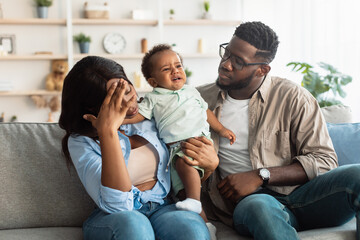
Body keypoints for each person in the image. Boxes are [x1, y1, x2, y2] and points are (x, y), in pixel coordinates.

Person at [192, 21, 360, 239]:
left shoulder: (293, 97)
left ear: (262, 69)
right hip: (252, 203)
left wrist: (261, 175)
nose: (226, 64)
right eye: (226, 53)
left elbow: (324, 160)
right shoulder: (198, 100)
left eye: (238, 62)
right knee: (259, 206)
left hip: (305, 198)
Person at [58, 56, 219, 240]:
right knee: (136, 227)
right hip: (116, 217)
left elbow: (181, 169)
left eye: (127, 89)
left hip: (163, 207)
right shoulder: (80, 141)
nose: (131, 101)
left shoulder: (152, 117)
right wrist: (108, 131)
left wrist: (209, 166)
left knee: (193, 229)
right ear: (94, 107)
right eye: (116, 98)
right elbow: (117, 206)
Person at [123, 44, 235, 221]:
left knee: (185, 166)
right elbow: (139, 116)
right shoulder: (153, 98)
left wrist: (221, 129)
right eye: (166, 69)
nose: (175, 71)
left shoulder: (191, 91)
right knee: (182, 192)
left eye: (178, 66)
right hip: (175, 148)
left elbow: (205, 111)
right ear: (153, 82)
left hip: (199, 141)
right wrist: (117, 121)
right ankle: (205, 224)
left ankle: (195, 201)